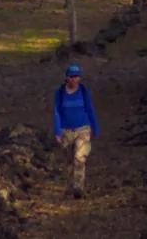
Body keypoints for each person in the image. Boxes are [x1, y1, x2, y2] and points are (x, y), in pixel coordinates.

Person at [53, 63, 99, 199]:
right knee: (69, 160)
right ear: (66, 78)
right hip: (66, 130)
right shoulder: (60, 92)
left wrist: (95, 127)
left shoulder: (84, 91)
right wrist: (57, 131)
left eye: (76, 76)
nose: (74, 79)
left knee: (79, 158)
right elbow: (57, 112)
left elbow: (90, 109)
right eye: (71, 76)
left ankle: (78, 187)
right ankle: (70, 185)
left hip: (83, 128)